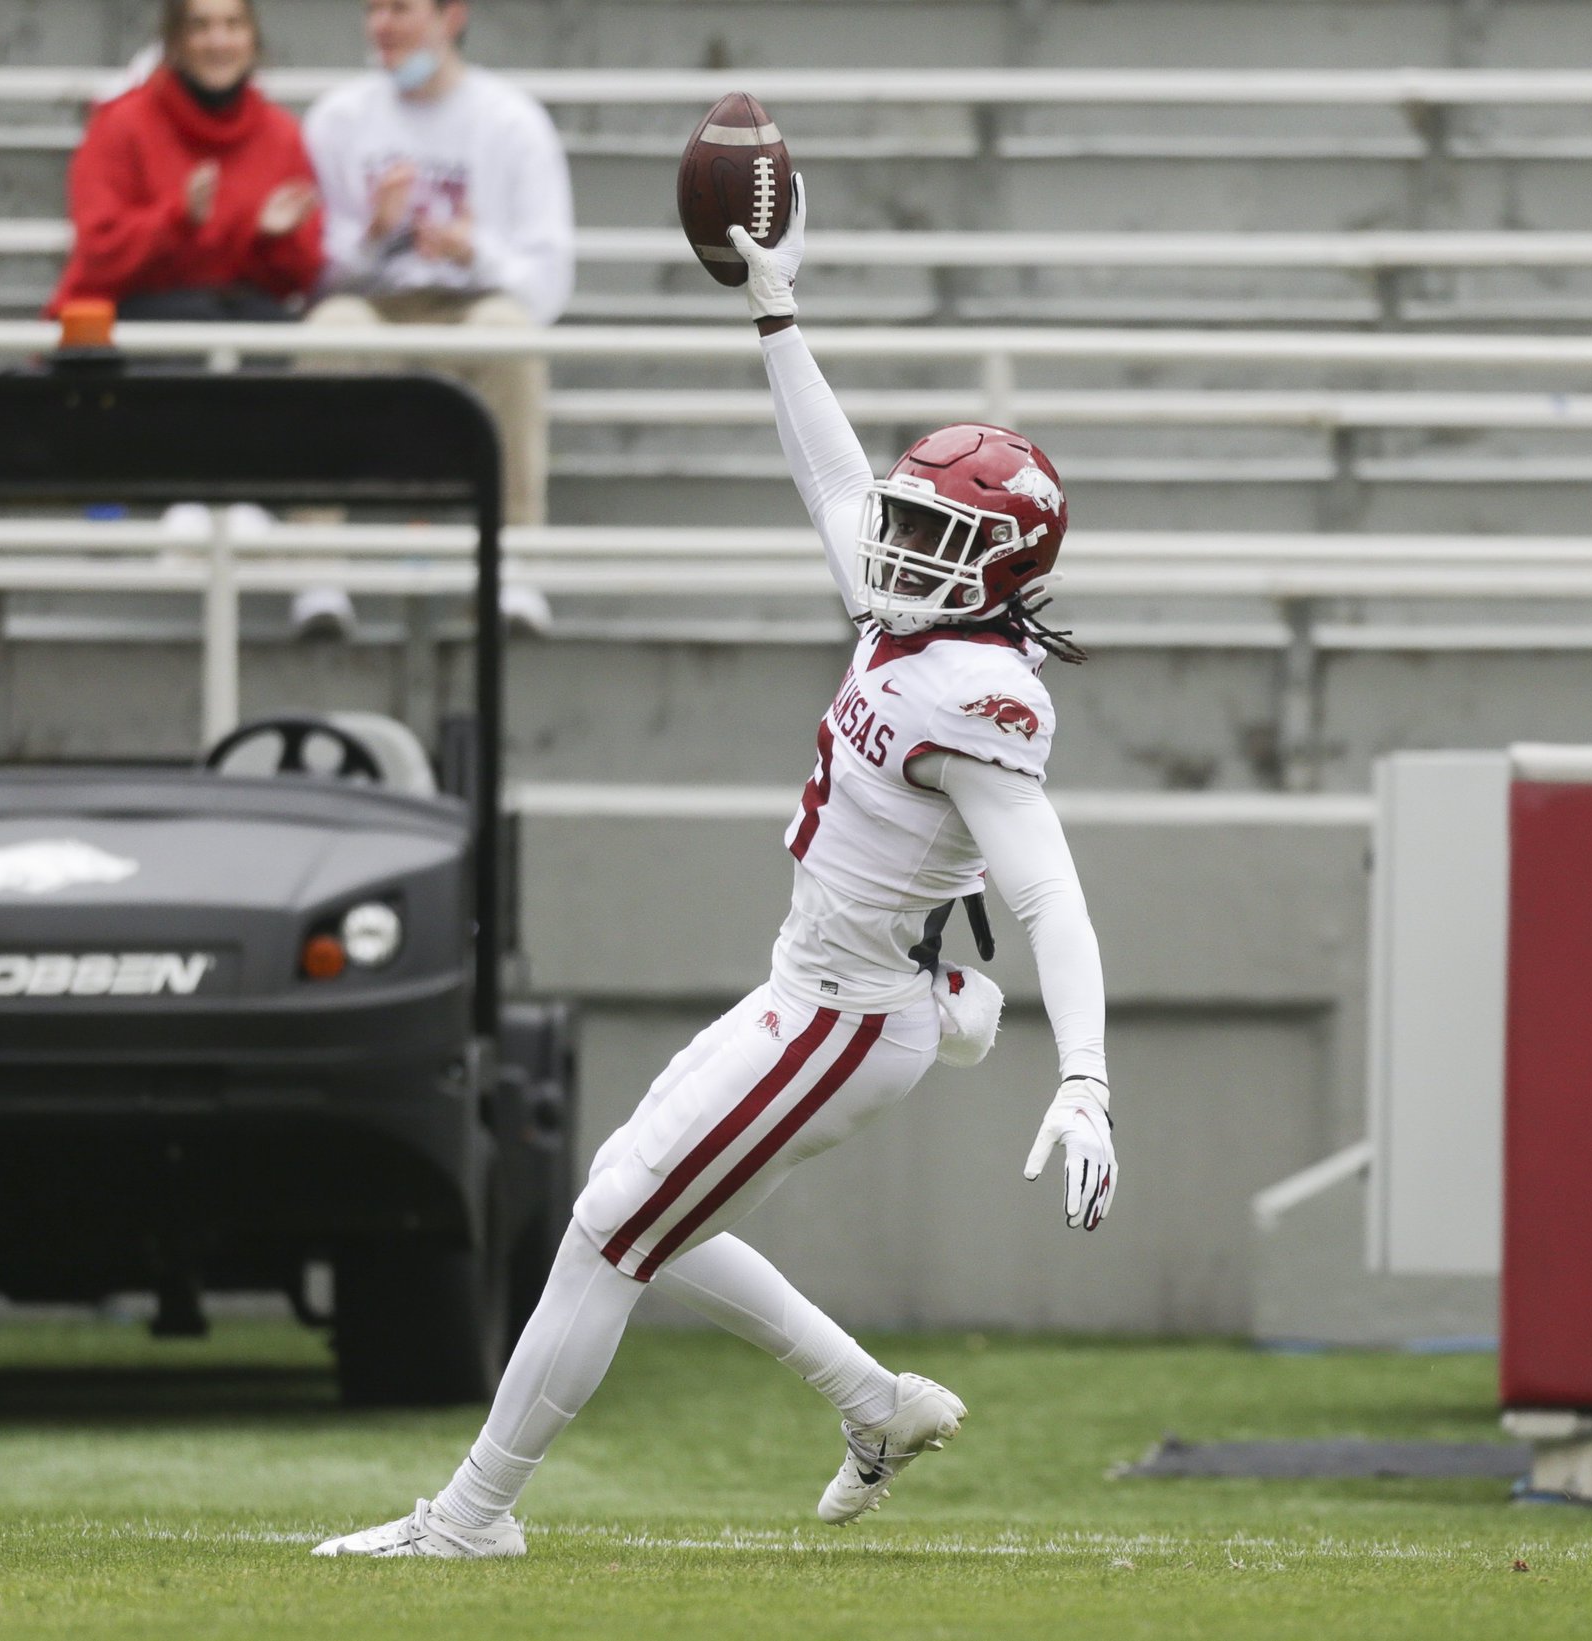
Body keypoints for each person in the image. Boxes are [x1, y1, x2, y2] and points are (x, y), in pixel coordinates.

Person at [313, 177, 1117, 1559]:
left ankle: (471, 1519)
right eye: (913, 522)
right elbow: (832, 478)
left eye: (942, 534)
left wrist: (1088, 1077)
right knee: (645, 1208)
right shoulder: (911, 611)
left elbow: (1048, 890)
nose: (903, 543)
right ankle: (874, 1404)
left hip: (846, 1017)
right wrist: (773, 309)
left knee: (609, 1235)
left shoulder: (979, 693)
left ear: (1001, 570)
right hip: (810, 989)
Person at [301, 0, 572, 532]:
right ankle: (316, 577)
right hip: (374, 310)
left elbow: (548, 289)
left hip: (471, 310)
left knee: (510, 334)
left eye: (400, 8)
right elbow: (309, 284)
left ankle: (513, 577)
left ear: (452, 17)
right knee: (327, 330)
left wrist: (472, 252)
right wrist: (375, 236)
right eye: (372, 9)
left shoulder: (512, 121)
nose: (381, 24)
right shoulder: (337, 119)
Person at [44, 0, 321, 323]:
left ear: (252, 39)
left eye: (233, 25)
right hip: (129, 321)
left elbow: (302, 276)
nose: (219, 42)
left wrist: (272, 239)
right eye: (200, 27)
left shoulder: (282, 135)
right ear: (174, 41)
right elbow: (98, 254)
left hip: (241, 322)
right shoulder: (120, 124)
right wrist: (176, 219)